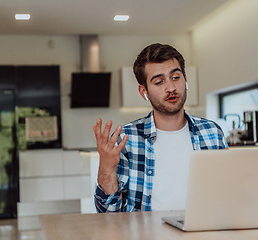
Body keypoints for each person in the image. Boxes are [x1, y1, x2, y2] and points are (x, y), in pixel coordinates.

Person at [92, 43, 228, 213]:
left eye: (176, 77)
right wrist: (106, 167)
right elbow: (108, 213)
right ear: (144, 92)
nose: (171, 88)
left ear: (185, 79)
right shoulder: (127, 138)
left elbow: (227, 194)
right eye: (159, 81)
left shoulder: (212, 132)